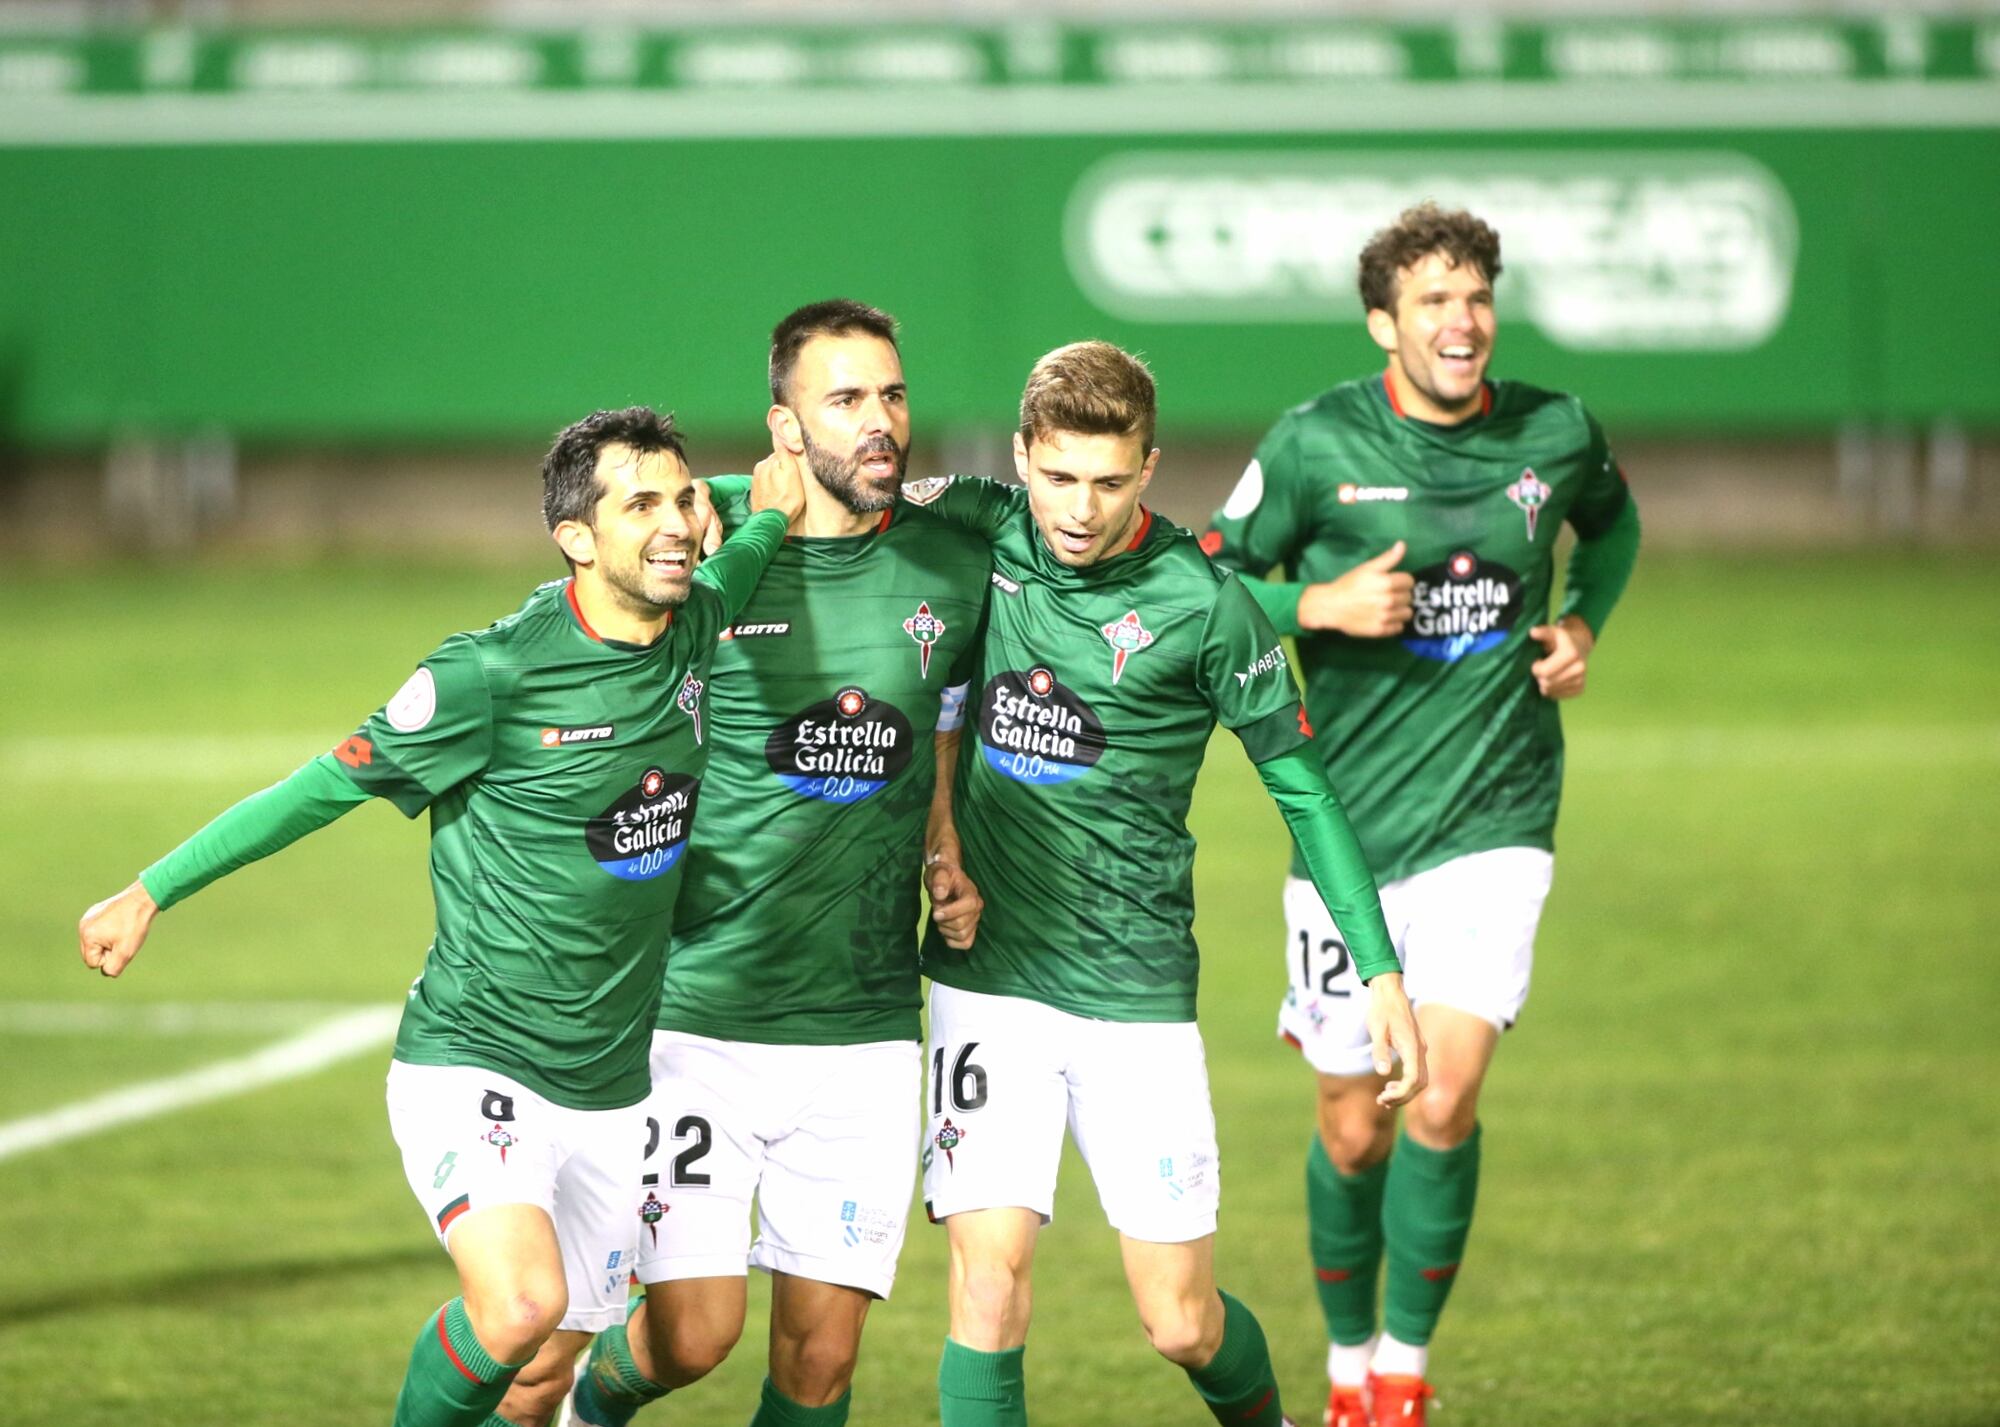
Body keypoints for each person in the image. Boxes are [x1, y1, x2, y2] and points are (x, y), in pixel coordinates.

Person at [75, 407, 806, 1427]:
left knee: (545, 1369)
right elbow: (318, 788)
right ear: (575, 538)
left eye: (681, 498)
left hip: (609, 1087)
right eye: (639, 504)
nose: (677, 521)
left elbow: (744, 510)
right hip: (476, 1058)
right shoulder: (487, 674)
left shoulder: (697, 617)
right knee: (518, 1303)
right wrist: (152, 886)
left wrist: (746, 502)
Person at [901, 340, 1428, 1427]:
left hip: (1132, 991)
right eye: (1057, 477)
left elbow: (1306, 793)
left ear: (1147, 465)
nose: (1078, 509)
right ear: (1021, 459)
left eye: (1107, 480)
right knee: (987, 1278)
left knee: (1179, 1320)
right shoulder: (985, 518)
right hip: (986, 971)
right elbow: (826, 486)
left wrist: (1377, 971)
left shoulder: (1206, 603)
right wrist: (679, 501)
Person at [500, 302, 993, 1427]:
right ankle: (580, 1408)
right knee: (691, 1333)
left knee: (818, 1366)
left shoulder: (953, 559)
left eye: (893, 395)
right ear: (783, 426)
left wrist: (944, 840)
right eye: (846, 400)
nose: (881, 424)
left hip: (865, 1026)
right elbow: (567, 627)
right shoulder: (698, 541)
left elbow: (945, 710)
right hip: (695, 1020)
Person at [1200, 202, 1643, 1427]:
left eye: (1473, 296)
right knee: (1352, 1127)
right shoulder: (1311, 443)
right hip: (1345, 834)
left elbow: (1610, 525)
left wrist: (1579, 625)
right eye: (1432, 301)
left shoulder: (1552, 431)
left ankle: (1399, 1367)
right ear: (1381, 321)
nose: (1459, 321)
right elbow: (1210, 580)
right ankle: (1344, 1370)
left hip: (1496, 811)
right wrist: (1318, 607)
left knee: (1441, 1092)